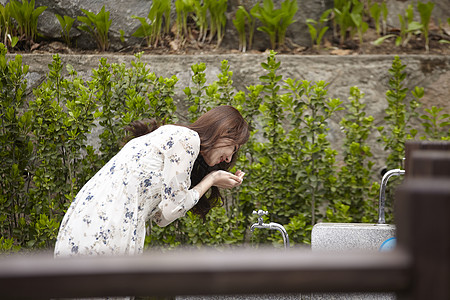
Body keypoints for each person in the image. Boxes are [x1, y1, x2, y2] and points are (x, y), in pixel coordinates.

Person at [54, 105, 249, 257]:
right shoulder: (187, 138)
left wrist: (210, 179)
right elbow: (174, 209)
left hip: (100, 220)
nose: (229, 159)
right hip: (105, 223)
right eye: (234, 147)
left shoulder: (174, 137)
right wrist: (212, 179)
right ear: (223, 132)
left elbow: (163, 217)